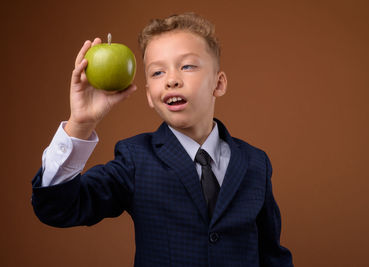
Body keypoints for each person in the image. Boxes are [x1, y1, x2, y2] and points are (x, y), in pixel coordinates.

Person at [31, 13, 293, 267]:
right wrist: (81, 123)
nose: (171, 80)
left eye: (187, 66)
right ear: (149, 95)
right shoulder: (135, 158)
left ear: (219, 83)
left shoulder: (256, 162)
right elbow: (58, 208)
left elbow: (271, 255)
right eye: (157, 73)